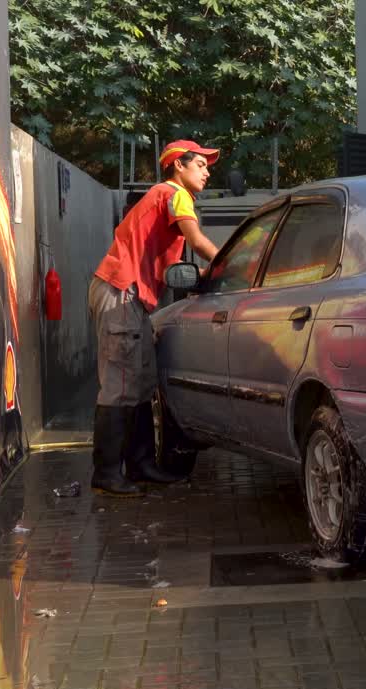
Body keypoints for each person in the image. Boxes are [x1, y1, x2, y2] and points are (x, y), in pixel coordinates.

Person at [88, 140, 222, 497]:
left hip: (130, 297)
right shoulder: (174, 194)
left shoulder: (161, 199)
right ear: (179, 165)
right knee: (120, 386)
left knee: (142, 383)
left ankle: (142, 465)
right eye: (201, 165)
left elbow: (173, 267)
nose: (207, 171)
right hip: (122, 293)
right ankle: (105, 473)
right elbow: (195, 239)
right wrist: (230, 263)